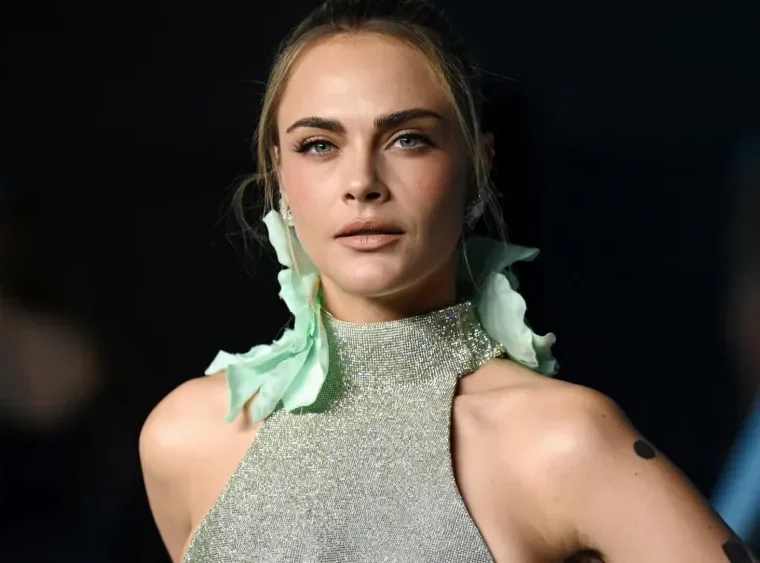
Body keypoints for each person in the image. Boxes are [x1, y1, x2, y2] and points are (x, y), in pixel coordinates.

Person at [139, 1, 758, 561]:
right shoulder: (185, 437)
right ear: (278, 174)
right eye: (320, 145)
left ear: (478, 167)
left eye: (408, 139)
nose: (362, 182)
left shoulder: (560, 440)